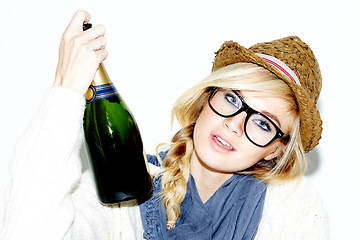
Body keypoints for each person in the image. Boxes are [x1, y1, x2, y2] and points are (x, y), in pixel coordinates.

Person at [0, 10, 328, 239]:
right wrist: (66, 90)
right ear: (205, 101)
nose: (234, 125)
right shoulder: (123, 188)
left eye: (263, 123)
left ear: (276, 150)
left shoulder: (289, 203)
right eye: (231, 99)